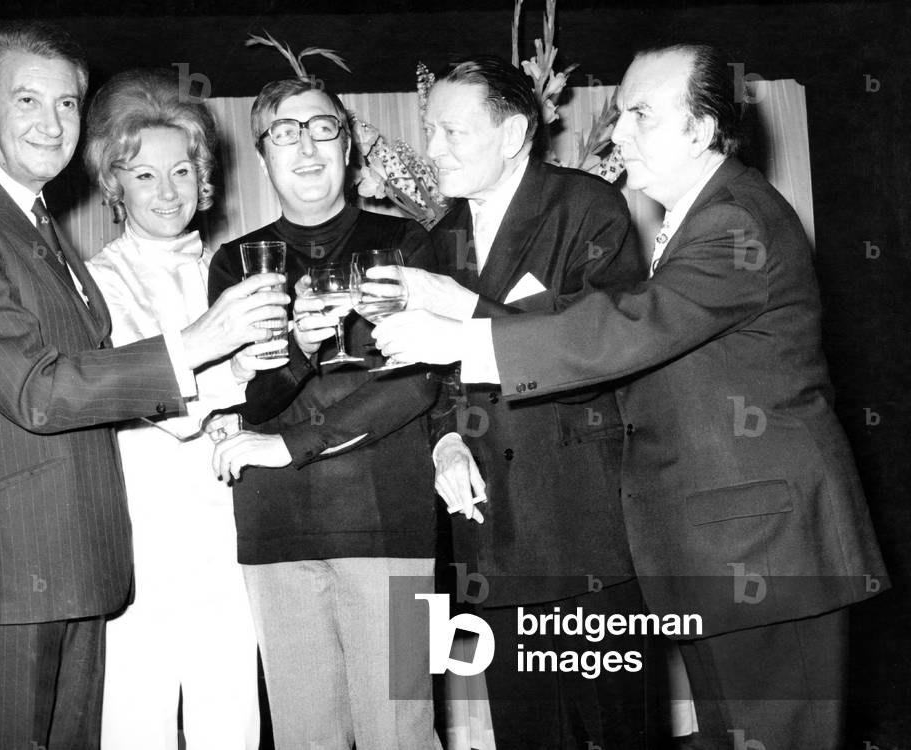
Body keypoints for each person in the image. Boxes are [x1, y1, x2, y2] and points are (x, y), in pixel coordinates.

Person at [373, 42, 889, 749]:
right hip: (729, 550)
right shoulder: (695, 219)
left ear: (704, 128)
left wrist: (466, 331)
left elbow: (631, 329)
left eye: (641, 114)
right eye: (619, 116)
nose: (616, 134)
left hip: (766, 549)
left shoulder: (735, 219)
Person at [0, 24, 287, 749]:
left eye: (68, 104)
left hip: (72, 563)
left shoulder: (32, 224)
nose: (52, 123)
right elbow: (39, 390)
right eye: (28, 100)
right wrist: (203, 346)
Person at [373, 55, 652, 748]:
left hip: (589, 527)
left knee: (625, 729)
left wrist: (469, 310)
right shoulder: (434, 240)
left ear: (514, 131)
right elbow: (432, 382)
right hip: (491, 533)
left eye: (451, 132)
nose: (432, 150)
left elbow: (603, 355)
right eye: (428, 131)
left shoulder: (587, 207)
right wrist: (443, 444)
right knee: (528, 732)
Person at [206, 76, 440, 749]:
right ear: (262, 155)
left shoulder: (409, 244)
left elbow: (419, 382)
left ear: (349, 149)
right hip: (276, 532)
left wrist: (292, 443)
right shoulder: (235, 262)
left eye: (323, 128)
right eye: (285, 131)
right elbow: (240, 397)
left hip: (394, 525)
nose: (306, 145)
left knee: (404, 732)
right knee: (307, 737)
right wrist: (299, 350)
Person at [83, 68, 273, 750]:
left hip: (231, 522)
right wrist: (241, 376)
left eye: (182, 171)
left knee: (232, 718)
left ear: (204, 177)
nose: (167, 193)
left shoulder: (231, 268)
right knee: (138, 720)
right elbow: (150, 393)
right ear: (114, 185)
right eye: (143, 176)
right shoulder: (98, 281)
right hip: (145, 529)